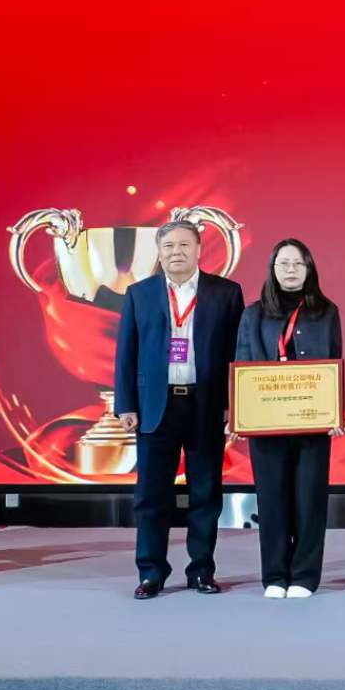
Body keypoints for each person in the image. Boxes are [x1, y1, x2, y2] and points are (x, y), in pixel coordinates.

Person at [113, 219, 246, 599]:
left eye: (184, 245)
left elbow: (238, 353)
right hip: (155, 408)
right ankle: (151, 572)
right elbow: (126, 353)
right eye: (169, 246)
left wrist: (235, 404)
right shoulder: (139, 294)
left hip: (206, 406)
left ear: (199, 249)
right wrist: (126, 404)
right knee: (151, 496)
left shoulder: (226, 293)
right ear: (159, 251)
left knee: (206, 494)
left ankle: (201, 570)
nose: (176, 252)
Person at [236, 238, 345, 600]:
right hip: (266, 423)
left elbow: (335, 363)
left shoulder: (326, 312)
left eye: (298, 263)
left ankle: (305, 576)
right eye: (283, 263)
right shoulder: (253, 314)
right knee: (271, 500)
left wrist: (334, 412)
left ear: (309, 269)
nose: (291, 270)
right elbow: (243, 364)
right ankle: (274, 575)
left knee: (310, 500)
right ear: (272, 269)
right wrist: (240, 414)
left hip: (313, 422)